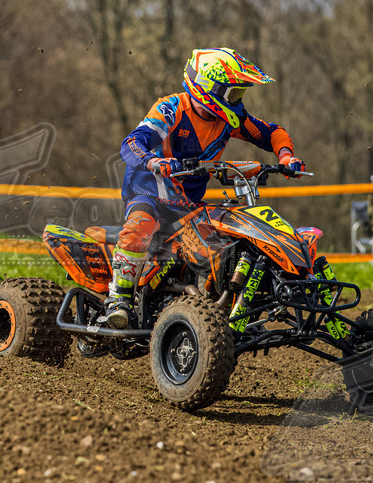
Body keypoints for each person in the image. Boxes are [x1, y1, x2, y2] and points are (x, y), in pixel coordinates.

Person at [100, 47, 304, 328]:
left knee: (225, 240)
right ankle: (119, 299)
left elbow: (271, 132)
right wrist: (153, 161)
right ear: (210, 88)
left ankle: (216, 305)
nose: (238, 100)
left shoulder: (228, 120)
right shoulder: (171, 108)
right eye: (234, 93)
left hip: (188, 205)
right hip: (149, 194)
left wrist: (286, 156)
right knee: (140, 226)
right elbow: (133, 142)